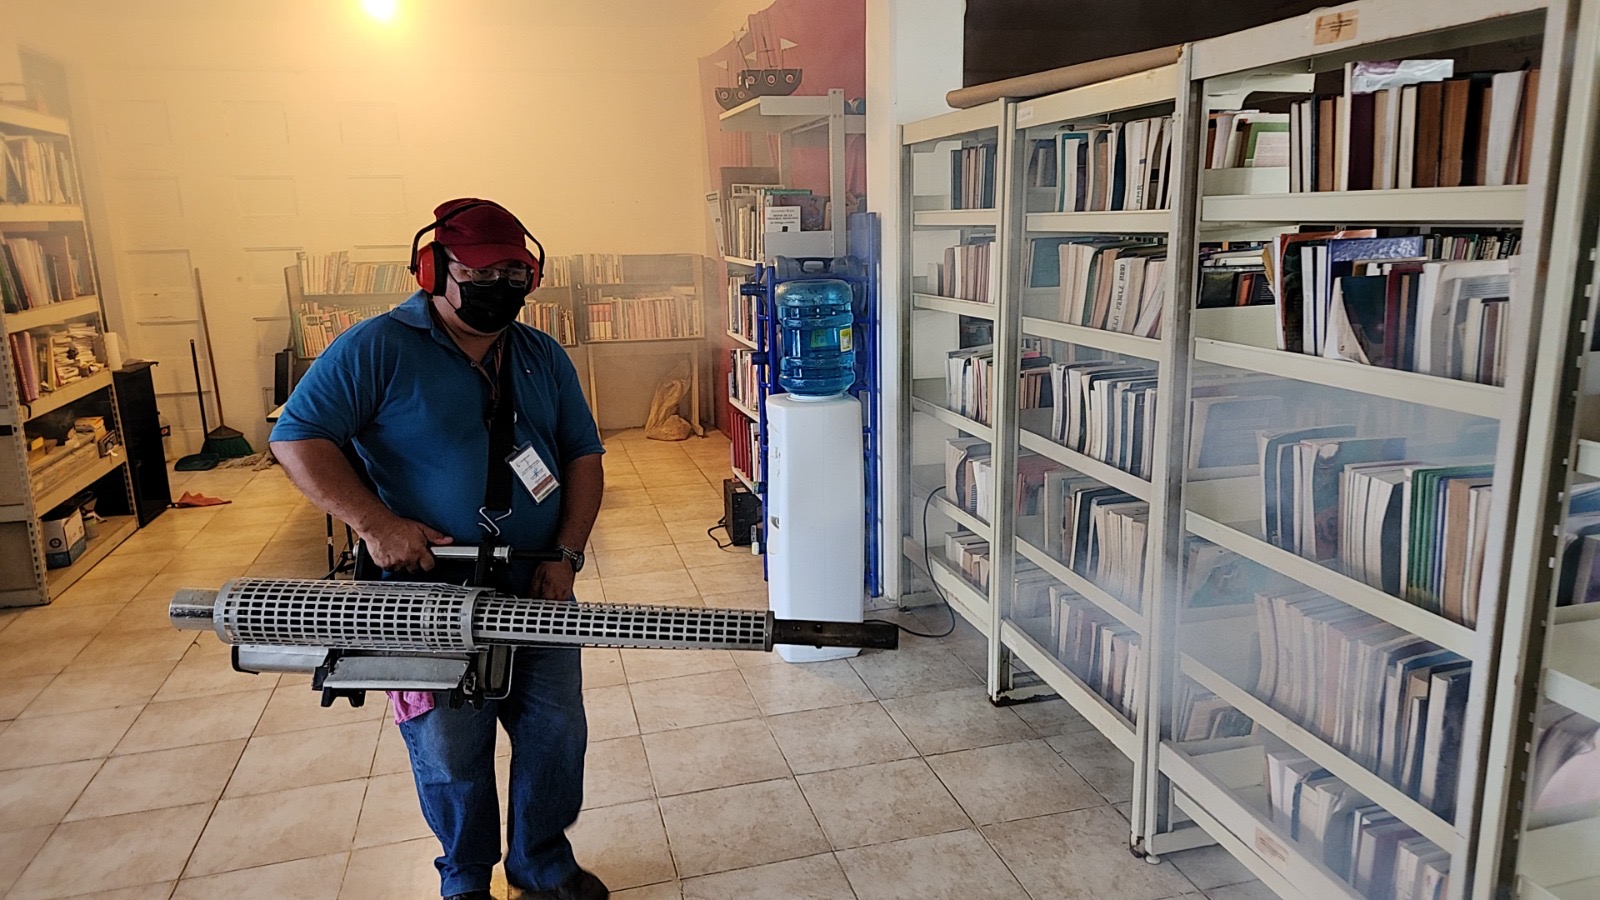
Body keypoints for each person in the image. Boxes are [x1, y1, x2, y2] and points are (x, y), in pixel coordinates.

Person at [269, 198, 608, 900]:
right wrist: (375, 524)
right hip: (425, 596)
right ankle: (465, 877)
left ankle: (542, 865)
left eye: (514, 274)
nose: (499, 287)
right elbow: (296, 439)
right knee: (449, 746)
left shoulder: (541, 355)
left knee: (555, 733)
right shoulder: (374, 348)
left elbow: (582, 455)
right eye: (481, 273)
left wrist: (567, 554)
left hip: (538, 585)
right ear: (432, 269)